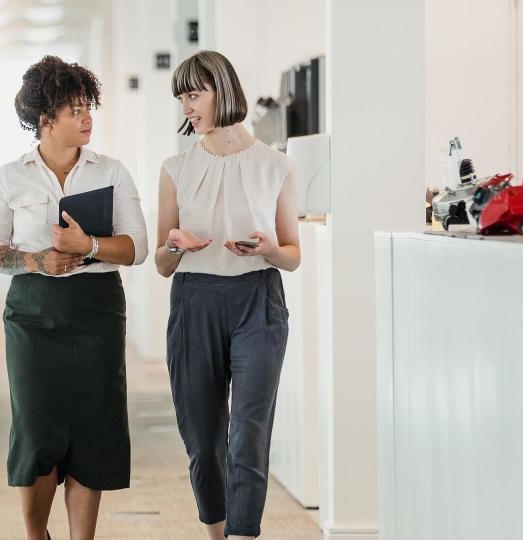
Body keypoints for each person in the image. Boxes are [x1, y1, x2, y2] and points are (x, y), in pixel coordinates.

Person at [0, 55, 148, 540]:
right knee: (35, 430)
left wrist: (88, 246)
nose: (87, 118)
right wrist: (37, 261)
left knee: (93, 431)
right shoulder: (9, 178)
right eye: (75, 110)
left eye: (88, 107)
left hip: (98, 311)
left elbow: (136, 247)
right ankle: (36, 535)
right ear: (45, 120)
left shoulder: (111, 172)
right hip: (32, 313)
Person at [154, 50, 301, 540]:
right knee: (203, 438)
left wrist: (269, 249)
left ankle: (243, 533)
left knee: (249, 433)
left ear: (222, 90)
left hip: (258, 300)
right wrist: (174, 246)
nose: (186, 109)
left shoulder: (276, 166)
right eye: (181, 100)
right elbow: (160, 262)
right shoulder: (175, 168)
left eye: (193, 96)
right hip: (194, 300)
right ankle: (215, 532)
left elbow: (293, 254)